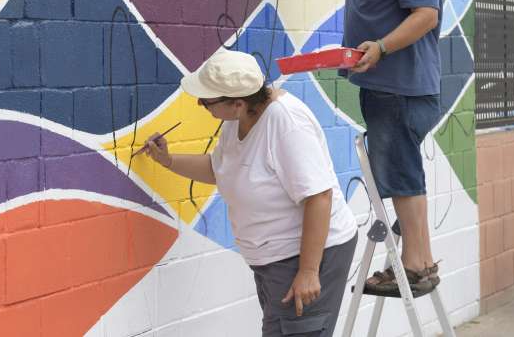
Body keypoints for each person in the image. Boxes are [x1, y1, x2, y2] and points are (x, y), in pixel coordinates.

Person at [274, 0, 443, 296]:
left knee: (402, 172)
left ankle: (417, 263)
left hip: (402, 86)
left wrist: (382, 46)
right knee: (398, 169)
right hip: (383, 85)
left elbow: (427, 15)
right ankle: (417, 261)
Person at [144, 50, 357, 336]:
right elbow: (221, 169)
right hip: (274, 260)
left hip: (307, 256)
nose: (200, 104)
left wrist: (308, 271)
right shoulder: (237, 121)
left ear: (238, 103)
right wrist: (167, 160)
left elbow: (318, 197)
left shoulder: (285, 123)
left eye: (207, 101)